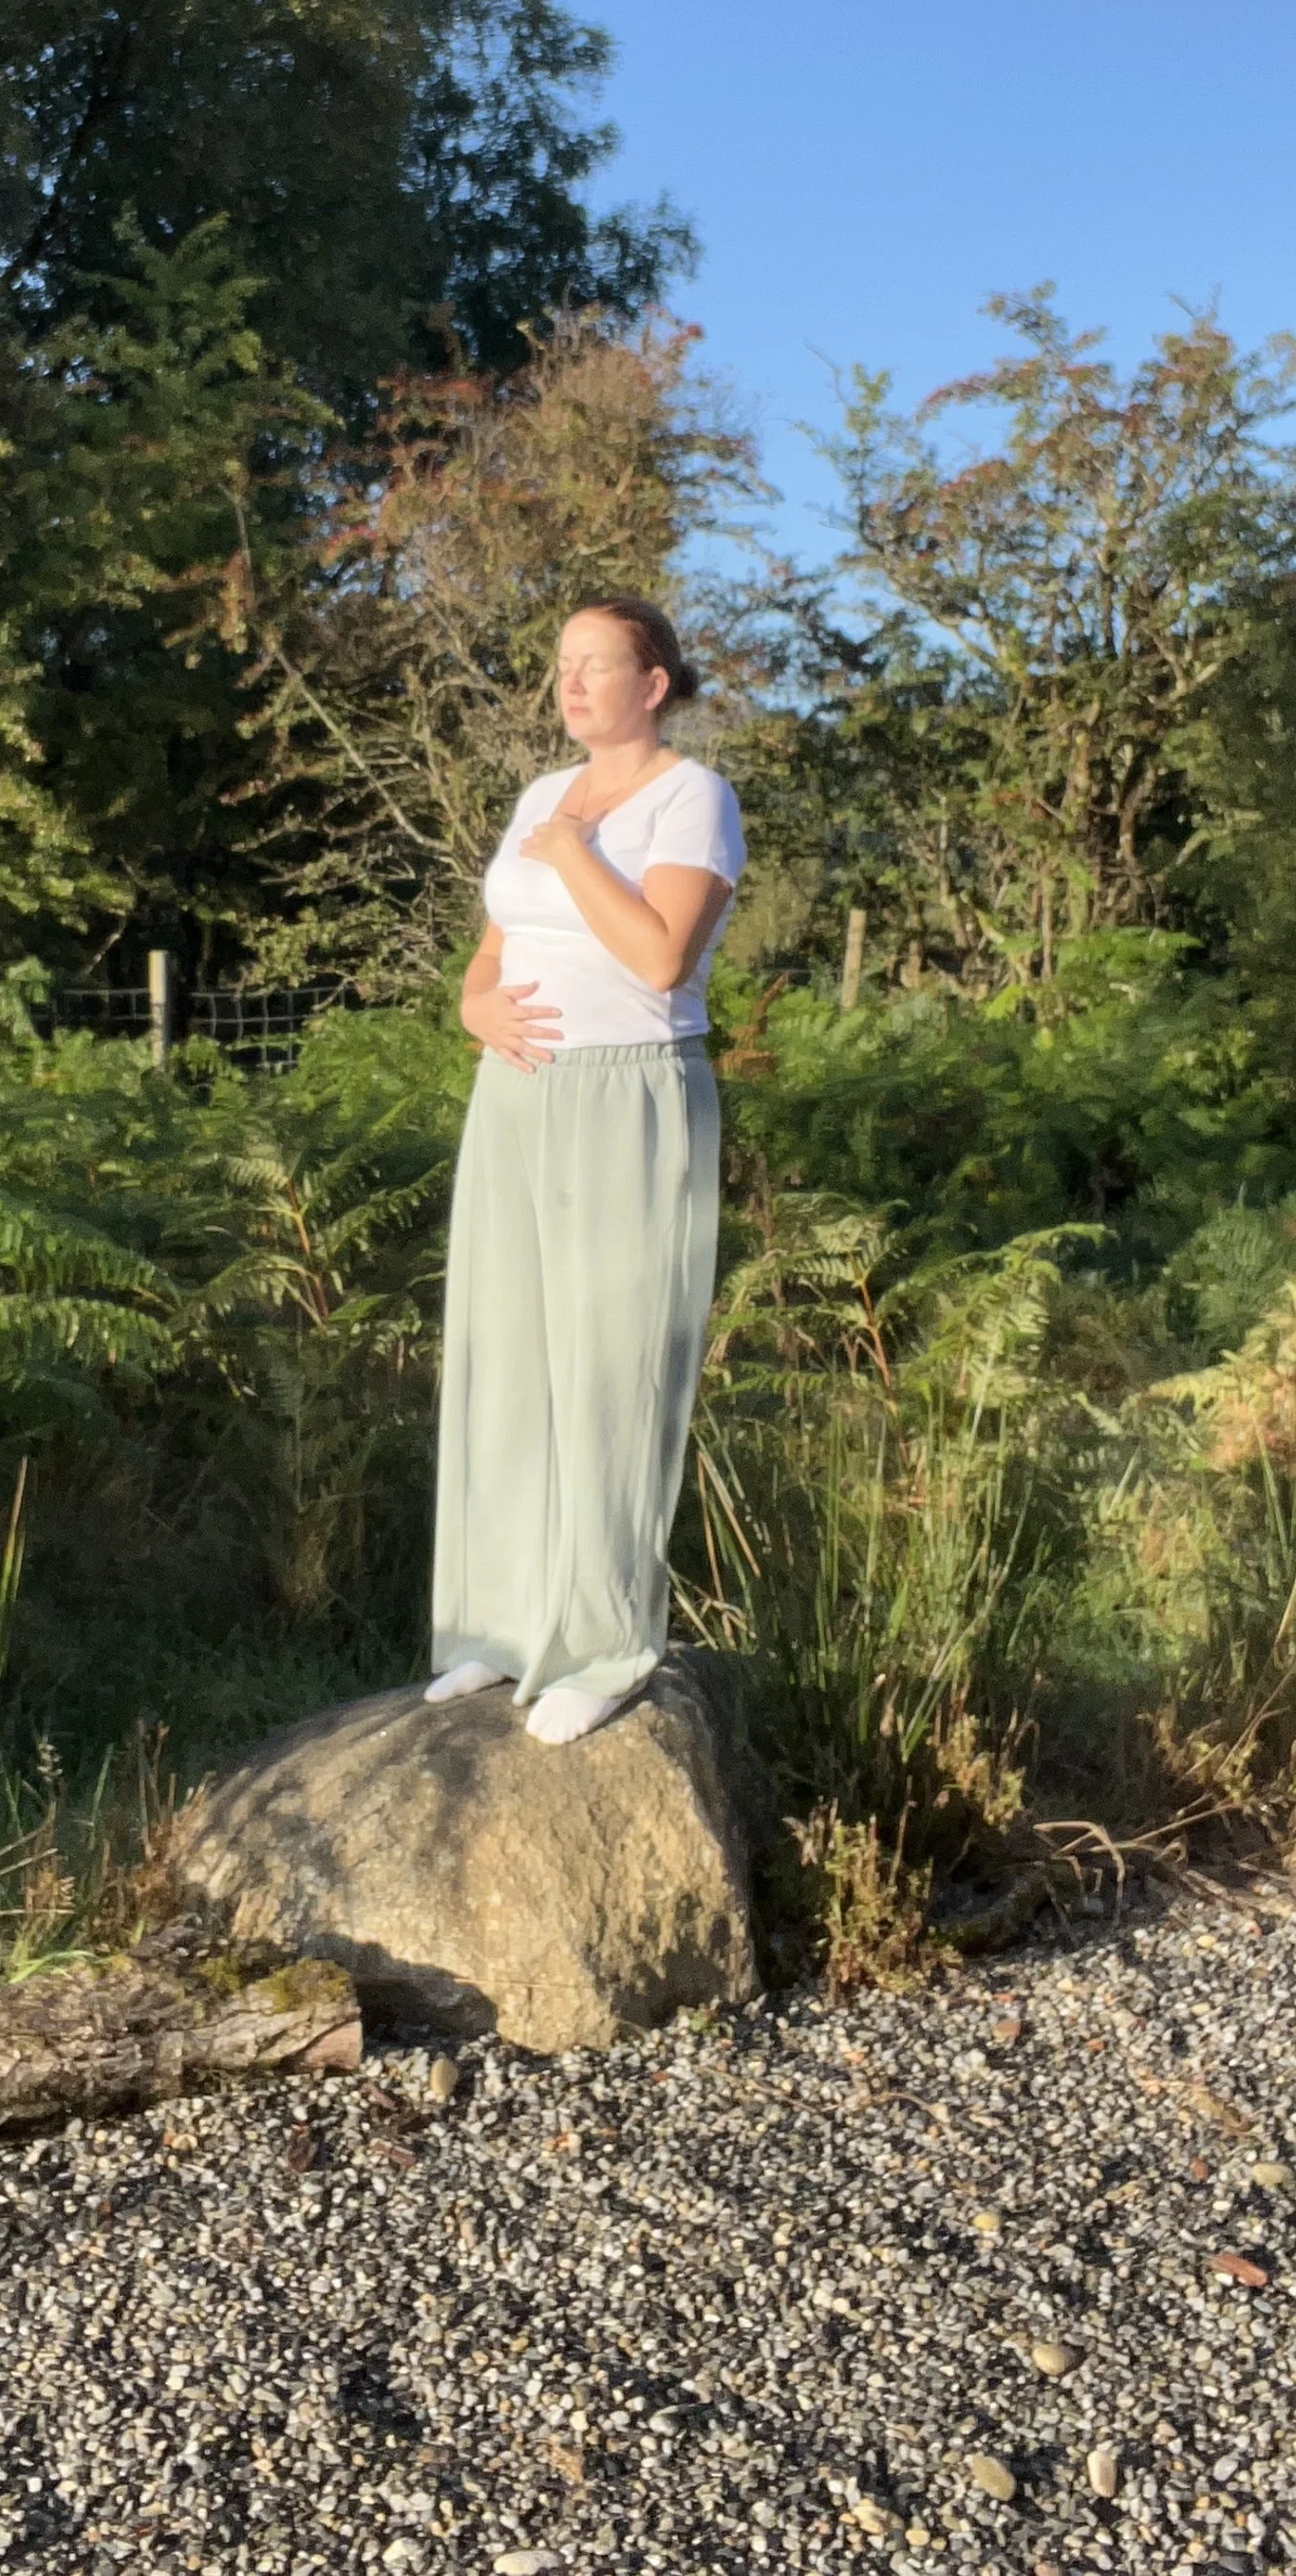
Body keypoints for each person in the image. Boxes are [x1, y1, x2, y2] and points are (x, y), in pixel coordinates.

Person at [424, 595, 745, 1744]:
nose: (568, 683)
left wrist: (572, 854)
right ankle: (497, 1627)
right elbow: (491, 956)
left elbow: (660, 959)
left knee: (611, 1367)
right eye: (561, 663)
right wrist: (475, 1010)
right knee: (506, 1354)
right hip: (515, 1096)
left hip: (629, 1093)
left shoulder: (691, 798)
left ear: (652, 685)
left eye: (594, 664)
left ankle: (603, 1645)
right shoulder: (536, 796)